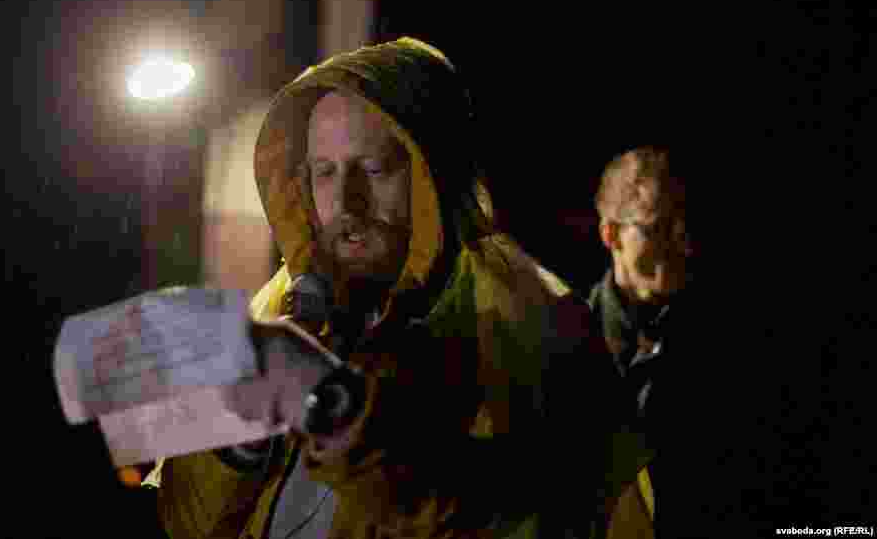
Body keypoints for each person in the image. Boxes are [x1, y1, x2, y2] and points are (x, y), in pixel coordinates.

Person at [145, 38, 643, 538]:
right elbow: (182, 522)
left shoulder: (537, 325)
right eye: (324, 172)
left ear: (433, 171)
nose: (347, 201)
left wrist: (347, 422)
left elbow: (548, 518)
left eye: (375, 168)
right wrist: (239, 444)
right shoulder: (280, 307)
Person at [589, 146, 723, 538]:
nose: (683, 246)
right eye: (658, 228)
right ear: (611, 234)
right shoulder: (565, 336)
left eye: (683, 227)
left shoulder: (720, 339)